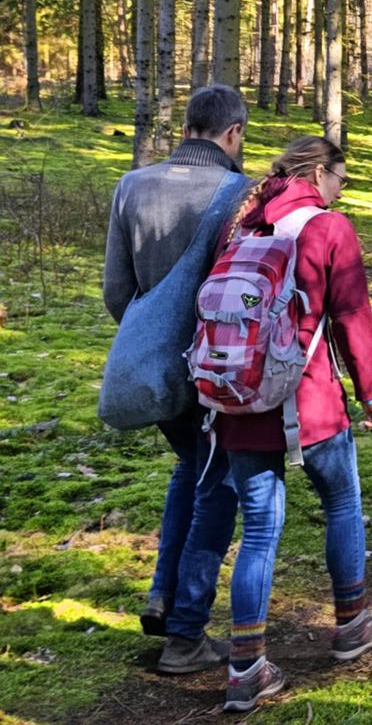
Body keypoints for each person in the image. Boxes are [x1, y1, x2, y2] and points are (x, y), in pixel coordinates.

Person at [212, 136, 372, 712]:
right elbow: (349, 316)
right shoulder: (327, 228)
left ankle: (245, 668)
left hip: (239, 399)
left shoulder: (241, 224)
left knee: (260, 531)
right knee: (341, 501)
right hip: (310, 398)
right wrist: (370, 392)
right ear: (319, 174)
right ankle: (351, 623)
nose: (341, 190)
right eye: (340, 178)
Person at [101, 85, 249, 676]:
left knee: (191, 467)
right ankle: (186, 630)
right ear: (233, 132)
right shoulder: (240, 193)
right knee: (219, 485)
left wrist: (151, 342)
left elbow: (118, 289)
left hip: (154, 368)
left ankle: (164, 593)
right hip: (217, 367)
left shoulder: (131, 185)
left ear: (188, 126)